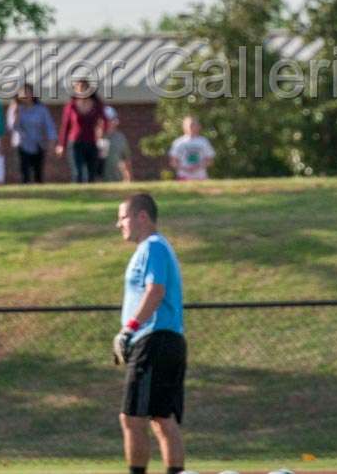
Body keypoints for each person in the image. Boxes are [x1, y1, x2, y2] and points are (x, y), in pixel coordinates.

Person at [113, 193, 187, 474]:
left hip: (154, 339)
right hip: (164, 340)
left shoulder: (152, 246)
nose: (118, 224)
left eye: (122, 217)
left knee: (132, 418)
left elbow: (155, 290)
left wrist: (128, 330)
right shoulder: (155, 247)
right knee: (161, 418)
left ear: (141, 216)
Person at [55, 78, 106, 183]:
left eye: (84, 88)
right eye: (79, 88)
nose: (82, 90)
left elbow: (105, 120)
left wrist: (102, 131)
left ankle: (91, 194)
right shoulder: (71, 106)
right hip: (75, 142)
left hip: (92, 141)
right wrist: (61, 145)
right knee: (77, 172)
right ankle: (77, 194)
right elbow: (65, 126)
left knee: (91, 172)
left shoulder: (97, 105)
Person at [8, 82, 55, 183]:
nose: (26, 96)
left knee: (38, 172)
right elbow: (12, 127)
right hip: (21, 144)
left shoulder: (41, 109)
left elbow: (49, 126)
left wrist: (52, 142)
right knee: (24, 172)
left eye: (28, 93)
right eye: (23, 93)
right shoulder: (15, 108)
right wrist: (16, 113)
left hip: (38, 144)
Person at [167, 116, 215, 181]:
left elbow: (210, 160)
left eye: (194, 124)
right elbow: (173, 161)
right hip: (183, 176)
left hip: (201, 176)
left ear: (199, 126)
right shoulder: (178, 142)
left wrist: (198, 167)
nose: (192, 127)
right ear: (184, 126)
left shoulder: (204, 141)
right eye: (190, 125)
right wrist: (185, 168)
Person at [100, 106, 133, 183]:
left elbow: (126, 160)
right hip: (99, 183)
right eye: (108, 120)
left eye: (113, 119)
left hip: (118, 181)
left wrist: (128, 179)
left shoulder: (120, 138)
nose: (113, 122)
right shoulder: (93, 138)